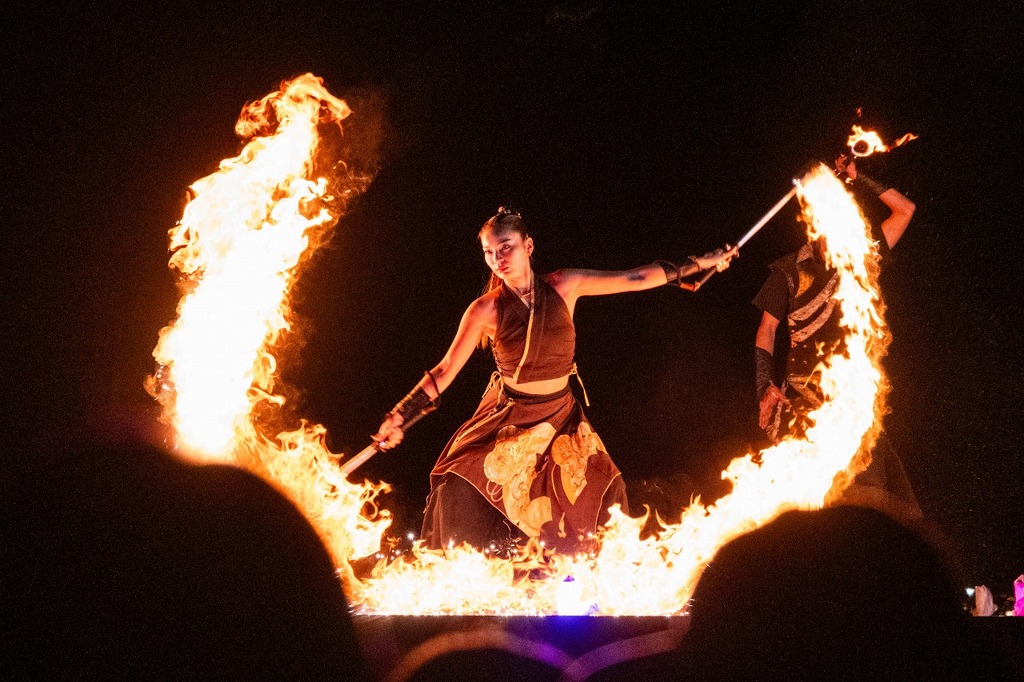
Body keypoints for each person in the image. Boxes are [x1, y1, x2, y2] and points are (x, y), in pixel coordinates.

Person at [374, 207, 736, 553]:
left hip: (561, 418)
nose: (498, 259)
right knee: (458, 489)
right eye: (489, 252)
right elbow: (443, 371)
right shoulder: (485, 309)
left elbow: (635, 278)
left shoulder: (565, 285)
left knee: (604, 492)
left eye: (506, 248)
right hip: (511, 420)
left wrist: (700, 263)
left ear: (528, 246)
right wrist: (401, 415)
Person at [752, 157, 921, 516]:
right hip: (802, 403)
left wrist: (862, 177)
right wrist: (763, 384)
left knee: (876, 503)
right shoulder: (788, 271)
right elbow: (767, 328)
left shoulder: (862, 257)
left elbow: (905, 210)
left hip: (851, 399)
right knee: (810, 510)